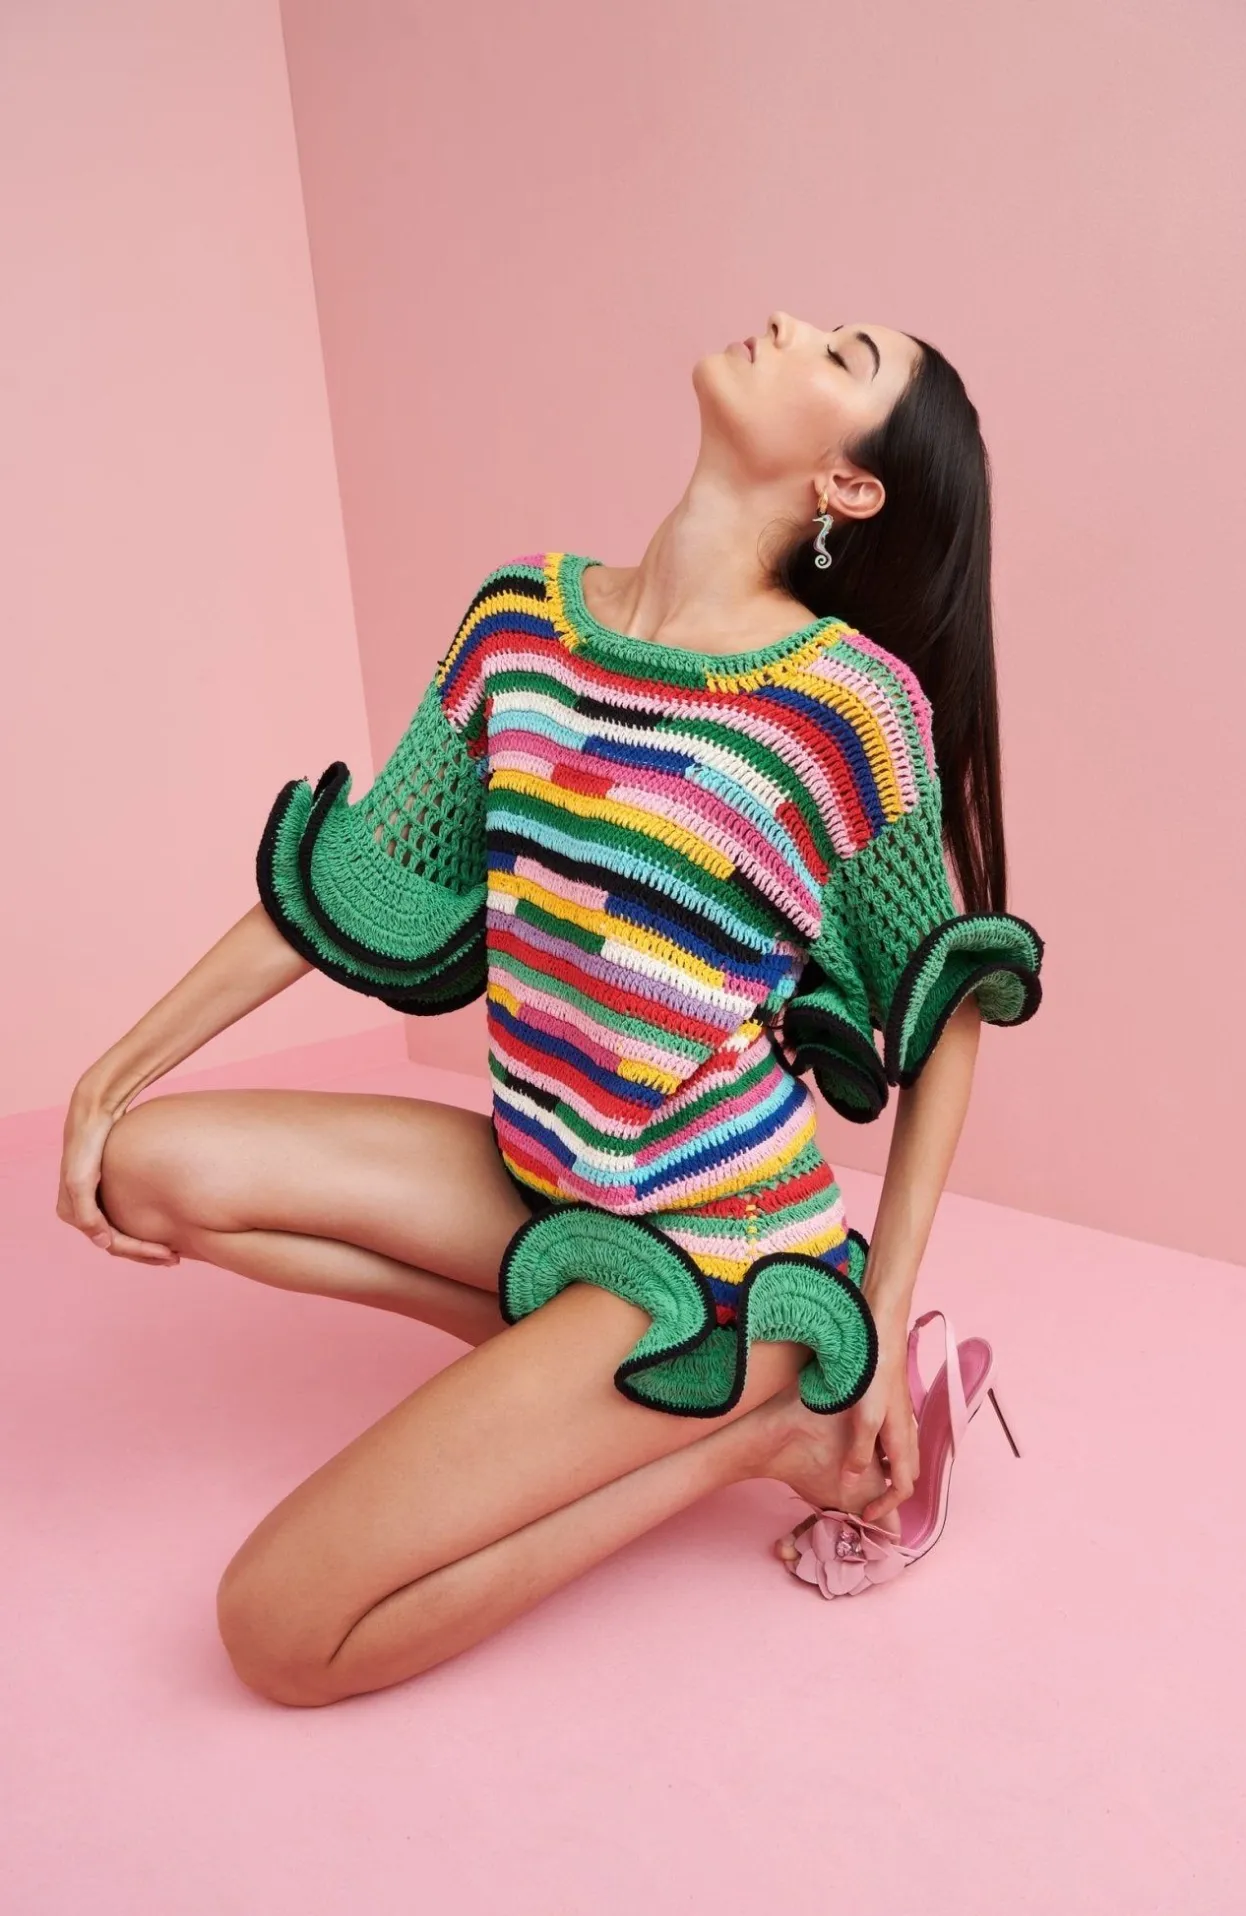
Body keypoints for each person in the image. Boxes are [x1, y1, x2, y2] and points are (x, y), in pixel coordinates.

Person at [57, 310, 1043, 1705]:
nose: (791, 326)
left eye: (840, 357)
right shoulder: (521, 619)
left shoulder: (844, 708)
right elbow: (363, 874)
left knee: (279, 1632)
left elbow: (946, 1003)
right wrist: (110, 1076)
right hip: (540, 1179)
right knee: (145, 1167)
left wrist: (876, 1315)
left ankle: (762, 1424)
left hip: (713, 1244)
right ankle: (631, 1384)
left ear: (848, 486)